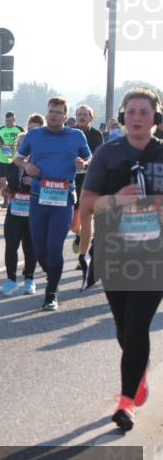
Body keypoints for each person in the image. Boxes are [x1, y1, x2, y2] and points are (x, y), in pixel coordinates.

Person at [78, 87, 163, 431]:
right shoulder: (107, 154)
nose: (137, 118)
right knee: (125, 328)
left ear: (156, 117)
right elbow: (87, 203)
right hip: (114, 248)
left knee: (138, 324)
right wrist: (115, 199)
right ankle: (137, 371)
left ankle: (126, 402)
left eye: (144, 112)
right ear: (123, 117)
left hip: (155, 253)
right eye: (132, 112)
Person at [14, 97, 92, 311]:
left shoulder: (76, 135)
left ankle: (51, 293)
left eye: (58, 112)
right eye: (51, 111)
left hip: (63, 198)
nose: (54, 115)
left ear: (65, 117)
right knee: (40, 250)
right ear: (46, 113)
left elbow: (90, 159)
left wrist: (83, 164)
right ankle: (53, 274)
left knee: (54, 246)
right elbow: (18, 159)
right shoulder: (34, 135)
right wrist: (26, 166)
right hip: (38, 197)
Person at [0, 114, 43, 296]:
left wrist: (34, 183)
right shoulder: (11, 166)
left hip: (32, 212)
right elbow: (11, 186)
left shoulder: (38, 166)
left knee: (29, 246)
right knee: (11, 245)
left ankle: (29, 279)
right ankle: (10, 280)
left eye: (23, 146)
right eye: (18, 146)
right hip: (15, 211)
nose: (20, 149)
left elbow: (48, 186)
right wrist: (6, 190)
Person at [71, 104, 104, 255]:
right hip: (71, 180)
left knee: (86, 218)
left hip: (89, 181)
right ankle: (81, 236)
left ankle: (84, 255)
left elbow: (98, 157)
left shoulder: (96, 135)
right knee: (73, 225)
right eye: (79, 114)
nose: (82, 117)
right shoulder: (69, 133)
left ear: (91, 117)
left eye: (85, 115)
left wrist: (85, 163)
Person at [0, 112, 25, 209]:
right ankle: (6, 199)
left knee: (13, 181)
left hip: (15, 160)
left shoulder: (19, 130)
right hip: (2, 160)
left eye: (10, 121)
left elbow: (25, 142)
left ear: (14, 120)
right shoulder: (1, 130)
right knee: (1, 181)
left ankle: (11, 199)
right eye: (6, 121)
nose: (8, 123)